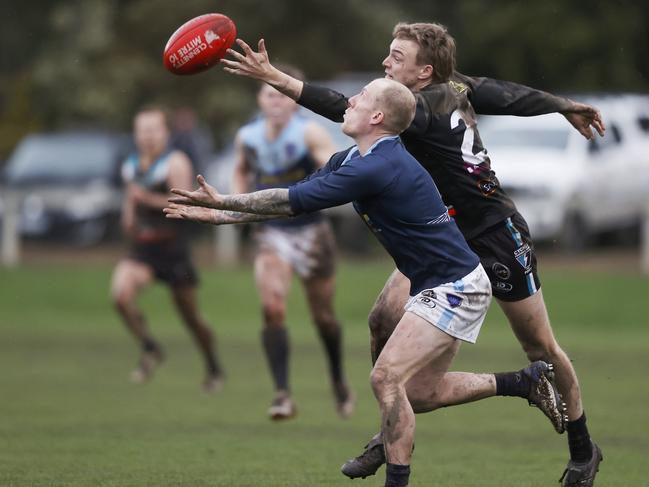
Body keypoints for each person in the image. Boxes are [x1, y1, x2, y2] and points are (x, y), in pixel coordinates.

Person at [219, 23, 603, 487]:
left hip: (493, 233)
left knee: (540, 345)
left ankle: (583, 447)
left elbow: (345, 107)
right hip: (444, 236)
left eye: (396, 57)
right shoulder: (452, 86)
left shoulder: (418, 107)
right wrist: (563, 105)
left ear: (423, 71)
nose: (386, 64)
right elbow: (506, 95)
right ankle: (391, 424)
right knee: (383, 317)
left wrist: (276, 77)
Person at [231, 67, 354, 420]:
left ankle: (338, 380)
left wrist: (325, 176)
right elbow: (241, 168)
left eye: (283, 95)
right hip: (272, 232)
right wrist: (237, 198)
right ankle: (282, 394)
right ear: (260, 99)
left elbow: (334, 164)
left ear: (294, 103)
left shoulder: (309, 133)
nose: (276, 102)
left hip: (312, 233)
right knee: (272, 308)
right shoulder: (248, 137)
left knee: (324, 317)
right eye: (270, 94)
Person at [110, 106, 224, 392]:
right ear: (135, 135)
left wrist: (145, 198)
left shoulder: (175, 162)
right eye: (142, 131)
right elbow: (130, 201)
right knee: (120, 296)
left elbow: (182, 204)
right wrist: (129, 218)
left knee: (191, 318)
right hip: (143, 249)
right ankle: (150, 349)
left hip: (173, 249)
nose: (147, 136)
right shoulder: (131, 165)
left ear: (165, 133)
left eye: (153, 130)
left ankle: (213, 367)